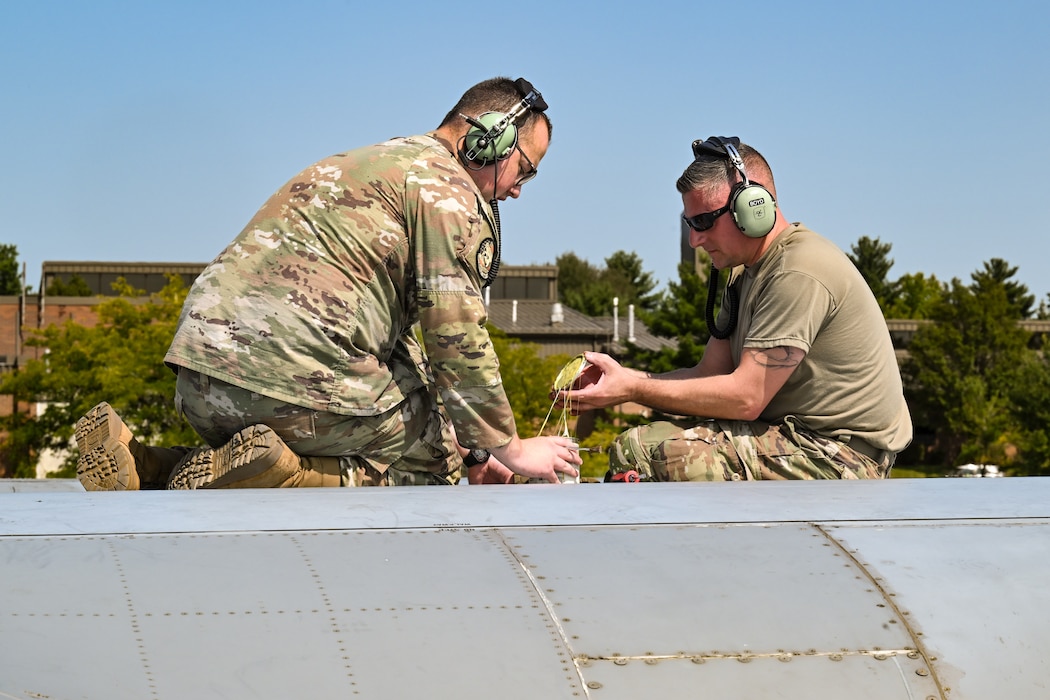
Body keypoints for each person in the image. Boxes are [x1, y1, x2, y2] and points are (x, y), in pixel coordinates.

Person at [75, 76, 581, 491]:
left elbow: (398, 344)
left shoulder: (368, 164)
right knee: (433, 460)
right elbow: (457, 336)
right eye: (525, 169)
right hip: (288, 385)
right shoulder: (447, 192)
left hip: (200, 381)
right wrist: (508, 449)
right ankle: (282, 481)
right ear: (490, 138)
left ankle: (154, 467)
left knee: (423, 417)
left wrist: (477, 447)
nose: (518, 190)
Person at [557, 136, 912, 481]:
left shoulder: (797, 270)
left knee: (654, 454)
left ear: (753, 207)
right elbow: (709, 374)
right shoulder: (745, 274)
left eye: (703, 222)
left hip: (839, 457)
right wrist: (622, 379)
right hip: (791, 438)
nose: (695, 239)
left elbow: (746, 398)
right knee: (638, 445)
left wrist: (633, 391)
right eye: (689, 224)